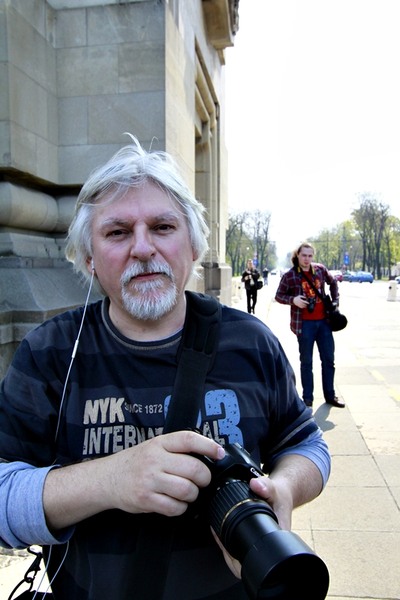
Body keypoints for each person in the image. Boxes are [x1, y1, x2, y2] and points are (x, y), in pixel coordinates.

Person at [0, 138, 330, 600]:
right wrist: (111, 479)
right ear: (89, 259)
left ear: (192, 245)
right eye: (117, 232)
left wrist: (284, 489)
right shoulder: (49, 352)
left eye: (162, 226)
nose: (143, 248)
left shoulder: (251, 341)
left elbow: (305, 443)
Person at [275, 242, 345, 409]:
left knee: (328, 360)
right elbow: (278, 295)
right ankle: (307, 398)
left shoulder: (320, 270)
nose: (307, 259)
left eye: (310, 255)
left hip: (324, 323)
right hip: (304, 324)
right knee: (306, 362)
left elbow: (333, 282)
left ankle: (330, 395)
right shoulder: (290, 275)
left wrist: (335, 301)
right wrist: (293, 300)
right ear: (298, 256)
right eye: (304, 255)